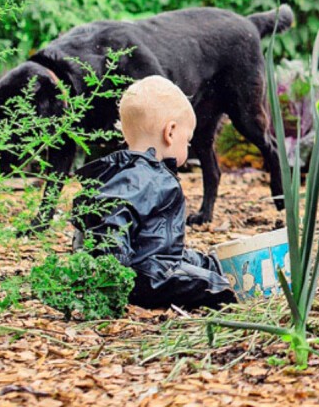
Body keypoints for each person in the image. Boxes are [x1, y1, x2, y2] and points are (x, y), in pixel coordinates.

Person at [71, 75, 237, 310]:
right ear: (170, 132)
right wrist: (115, 272)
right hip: (144, 277)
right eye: (187, 141)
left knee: (205, 264)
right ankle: (235, 299)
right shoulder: (146, 177)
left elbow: (159, 242)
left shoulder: (130, 172)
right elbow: (110, 215)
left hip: (153, 261)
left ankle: (213, 268)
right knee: (215, 285)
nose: (187, 148)